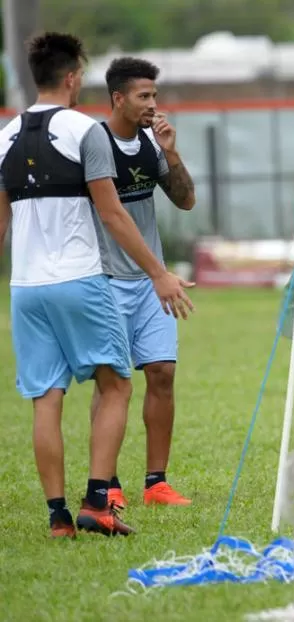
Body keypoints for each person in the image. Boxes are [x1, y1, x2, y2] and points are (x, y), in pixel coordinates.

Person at [0, 32, 194, 538]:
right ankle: (98, 501)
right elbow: (110, 212)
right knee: (116, 384)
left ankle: (58, 518)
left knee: (47, 397)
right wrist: (159, 273)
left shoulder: (5, 134)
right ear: (71, 78)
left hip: (25, 287)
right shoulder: (84, 131)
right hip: (81, 279)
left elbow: (0, 225)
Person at [90, 57, 197, 509]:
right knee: (111, 381)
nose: (154, 104)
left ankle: (156, 484)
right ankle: (107, 482)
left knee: (163, 373)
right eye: (144, 96)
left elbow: (186, 201)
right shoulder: (95, 143)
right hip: (107, 279)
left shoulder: (152, 145)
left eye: (155, 95)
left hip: (154, 280)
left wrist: (170, 151)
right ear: (119, 98)